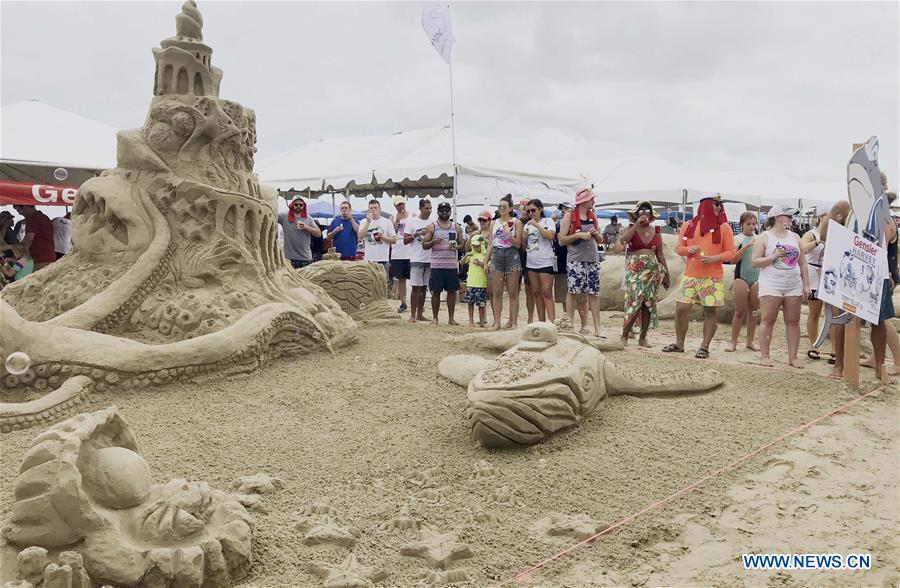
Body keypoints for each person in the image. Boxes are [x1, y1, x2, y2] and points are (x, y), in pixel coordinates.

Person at [662, 193, 736, 358]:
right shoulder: (688, 225)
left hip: (712, 277)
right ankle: (679, 343)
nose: (718, 207)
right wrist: (688, 249)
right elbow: (679, 248)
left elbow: (731, 252)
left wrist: (714, 258)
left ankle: (704, 346)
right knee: (681, 309)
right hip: (691, 275)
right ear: (705, 205)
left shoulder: (724, 227)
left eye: (720, 204)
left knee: (709, 312)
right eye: (715, 204)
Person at [752, 205, 811, 368]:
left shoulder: (795, 237)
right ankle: (765, 355)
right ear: (777, 218)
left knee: (793, 321)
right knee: (768, 319)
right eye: (788, 216)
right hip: (771, 283)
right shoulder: (764, 237)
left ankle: (793, 357)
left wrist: (806, 284)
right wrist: (773, 256)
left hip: (793, 284)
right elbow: (755, 262)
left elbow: (803, 263)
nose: (792, 219)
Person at [617, 201, 670, 347]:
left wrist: (666, 274)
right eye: (641, 211)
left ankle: (643, 337)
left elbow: (660, 255)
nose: (644, 213)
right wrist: (636, 225)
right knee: (633, 301)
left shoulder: (656, 231)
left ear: (651, 215)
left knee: (648, 304)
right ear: (636, 214)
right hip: (635, 269)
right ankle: (624, 335)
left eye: (647, 211)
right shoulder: (630, 228)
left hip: (652, 270)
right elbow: (623, 241)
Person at [559, 188, 605, 337]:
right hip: (575, 260)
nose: (593, 201)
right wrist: (578, 235)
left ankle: (598, 328)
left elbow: (601, 240)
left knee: (594, 293)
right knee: (573, 292)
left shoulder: (593, 216)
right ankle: (570, 325)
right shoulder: (569, 216)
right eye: (591, 199)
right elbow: (561, 240)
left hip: (592, 259)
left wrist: (596, 234)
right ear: (583, 201)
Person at [422, 202, 463, 325]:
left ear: (450, 212)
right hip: (437, 265)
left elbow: (462, 244)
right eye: (442, 211)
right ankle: (435, 318)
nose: (444, 213)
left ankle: (451, 318)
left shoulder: (456, 227)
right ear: (438, 212)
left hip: (451, 265)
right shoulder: (432, 227)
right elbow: (424, 245)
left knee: (451, 292)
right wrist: (433, 241)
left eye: (446, 210)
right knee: (436, 292)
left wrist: (457, 247)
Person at [726, 212, 760, 352]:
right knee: (740, 311)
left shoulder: (759, 239)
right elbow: (733, 260)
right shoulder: (737, 239)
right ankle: (733, 342)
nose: (751, 227)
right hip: (741, 277)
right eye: (748, 224)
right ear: (741, 225)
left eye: (753, 224)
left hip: (756, 277)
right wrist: (745, 247)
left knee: (754, 311)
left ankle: (750, 341)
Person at [486, 198, 522, 330]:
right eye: (500, 206)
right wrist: (485, 261)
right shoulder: (494, 223)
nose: (502, 208)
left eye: (504, 206)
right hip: (497, 254)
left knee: (513, 292)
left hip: (512, 254)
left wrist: (509, 235)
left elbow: (518, 244)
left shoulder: (516, 222)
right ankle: (497, 322)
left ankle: (514, 322)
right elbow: (490, 243)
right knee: (497, 291)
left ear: (510, 208)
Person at [800, 209, 830, 359]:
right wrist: (818, 242)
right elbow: (803, 249)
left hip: (830, 275)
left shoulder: (836, 234)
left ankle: (835, 350)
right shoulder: (811, 234)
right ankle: (814, 345)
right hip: (814, 275)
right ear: (821, 217)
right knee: (814, 313)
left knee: (832, 315)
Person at [523, 198, 558, 323]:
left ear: (540, 209)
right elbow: (524, 247)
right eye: (528, 211)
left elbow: (551, 236)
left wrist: (537, 225)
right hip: (531, 262)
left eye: (533, 210)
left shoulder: (548, 221)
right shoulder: (527, 225)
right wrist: (524, 239)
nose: (530, 213)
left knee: (546, 292)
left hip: (546, 261)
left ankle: (551, 322)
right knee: (536, 292)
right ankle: (541, 322)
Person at [404, 198, 433, 323]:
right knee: (416, 287)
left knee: (424, 288)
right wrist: (415, 234)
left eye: (430, 208)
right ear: (420, 208)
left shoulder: (433, 222)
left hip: (429, 258)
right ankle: (412, 315)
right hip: (416, 258)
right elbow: (405, 240)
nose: (429, 210)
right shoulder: (412, 221)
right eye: (426, 208)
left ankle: (420, 314)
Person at [357, 199, 396, 283]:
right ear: (368, 210)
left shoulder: (387, 222)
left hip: (383, 259)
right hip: (369, 260)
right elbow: (360, 236)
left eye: (375, 208)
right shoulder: (364, 221)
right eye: (371, 208)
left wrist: (384, 237)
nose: (373, 210)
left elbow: (394, 240)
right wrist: (368, 222)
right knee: (369, 284)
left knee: (383, 284)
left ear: (380, 209)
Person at [277, 198, 321, 268]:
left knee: (306, 275)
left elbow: (318, 234)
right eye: (296, 204)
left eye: (301, 205)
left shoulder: (308, 218)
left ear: (304, 206)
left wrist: (306, 227)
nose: (298, 206)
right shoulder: (284, 216)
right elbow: (272, 216)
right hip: (289, 258)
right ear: (292, 205)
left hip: (305, 258)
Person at [11, 205, 55, 270]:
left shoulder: (33, 218)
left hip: (40, 260)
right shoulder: (43, 217)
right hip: (48, 257)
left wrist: (18, 254)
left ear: (25, 207)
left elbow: (28, 241)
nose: (19, 213)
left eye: (18, 210)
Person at [461, 233, 489, 326]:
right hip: (471, 283)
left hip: (481, 283)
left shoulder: (485, 255)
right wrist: (466, 255)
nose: (476, 248)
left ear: (481, 245)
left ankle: (482, 321)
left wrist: (481, 264)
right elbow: (461, 263)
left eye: (477, 246)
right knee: (470, 303)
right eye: (474, 246)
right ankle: (471, 321)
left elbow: (488, 267)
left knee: (481, 304)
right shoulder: (471, 254)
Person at [552, 202, 574, 317]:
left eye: (566, 208)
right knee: (562, 293)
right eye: (562, 209)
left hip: (575, 261)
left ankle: (570, 317)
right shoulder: (556, 226)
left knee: (577, 293)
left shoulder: (576, 225)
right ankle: (567, 316)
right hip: (561, 263)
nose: (563, 211)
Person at [391, 195, 412, 313]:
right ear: (395, 206)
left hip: (410, 251)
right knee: (401, 279)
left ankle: (416, 302)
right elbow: (391, 233)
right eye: (398, 205)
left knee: (414, 279)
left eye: (402, 204)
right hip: (398, 252)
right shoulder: (392, 217)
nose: (400, 207)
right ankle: (403, 303)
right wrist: (397, 221)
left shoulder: (412, 216)